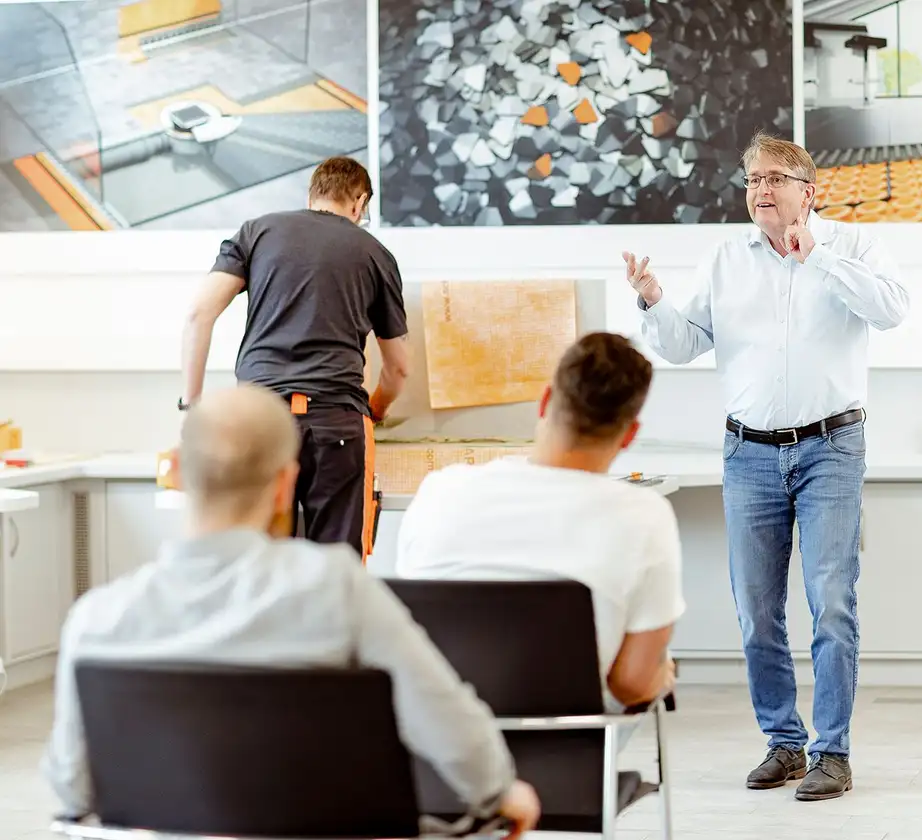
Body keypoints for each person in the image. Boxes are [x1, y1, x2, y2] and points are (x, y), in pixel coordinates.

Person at [40, 385, 540, 838]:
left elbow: (72, 788)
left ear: (175, 470)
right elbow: (446, 724)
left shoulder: (98, 619)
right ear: (285, 485)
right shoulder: (336, 588)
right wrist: (500, 790)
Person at [620, 132, 908, 801]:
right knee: (756, 610)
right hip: (748, 453)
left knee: (832, 603)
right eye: (752, 180)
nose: (761, 191)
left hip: (831, 449)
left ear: (810, 191)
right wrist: (653, 300)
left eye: (775, 178)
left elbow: (893, 311)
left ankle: (830, 752)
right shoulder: (726, 259)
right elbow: (686, 344)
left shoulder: (853, 248)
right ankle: (782, 742)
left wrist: (820, 259)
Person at [394, 332, 683, 713]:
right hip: (567, 756)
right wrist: (663, 674)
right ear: (629, 435)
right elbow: (631, 685)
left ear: (545, 401)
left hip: (437, 751)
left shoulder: (440, 490)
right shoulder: (646, 516)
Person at [179, 156, 410, 562]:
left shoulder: (258, 232)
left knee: (252, 559)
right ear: (359, 202)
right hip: (335, 421)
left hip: (258, 420)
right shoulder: (376, 255)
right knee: (337, 568)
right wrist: (375, 408)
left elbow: (199, 314)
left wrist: (192, 406)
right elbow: (399, 368)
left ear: (312, 195)